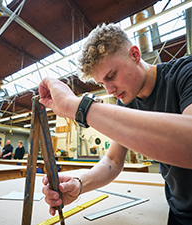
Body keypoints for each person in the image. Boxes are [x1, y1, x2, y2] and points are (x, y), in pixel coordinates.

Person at [39, 23, 192, 225]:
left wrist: (78, 108)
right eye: (102, 83)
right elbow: (112, 161)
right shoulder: (126, 103)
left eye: (111, 76)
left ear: (135, 55)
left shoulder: (185, 73)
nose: (109, 90)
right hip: (179, 211)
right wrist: (79, 184)